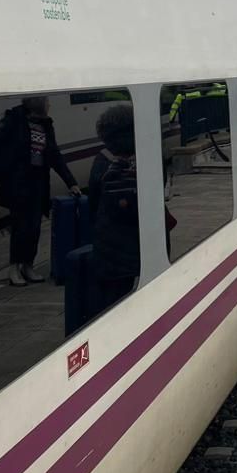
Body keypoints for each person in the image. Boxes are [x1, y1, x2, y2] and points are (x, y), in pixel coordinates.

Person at [0, 96, 80, 286]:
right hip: (16, 182)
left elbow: (54, 154)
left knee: (34, 227)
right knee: (21, 226)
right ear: (37, 105)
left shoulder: (46, 124)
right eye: (47, 102)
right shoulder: (13, 120)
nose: (49, 104)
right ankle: (14, 268)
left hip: (38, 181)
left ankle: (28, 266)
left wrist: (71, 182)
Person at [66, 103, 142, 334]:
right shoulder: (122, 169)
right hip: (124, 251)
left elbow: (94, 206)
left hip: (107, 247)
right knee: (120, 304)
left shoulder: (100, 162)